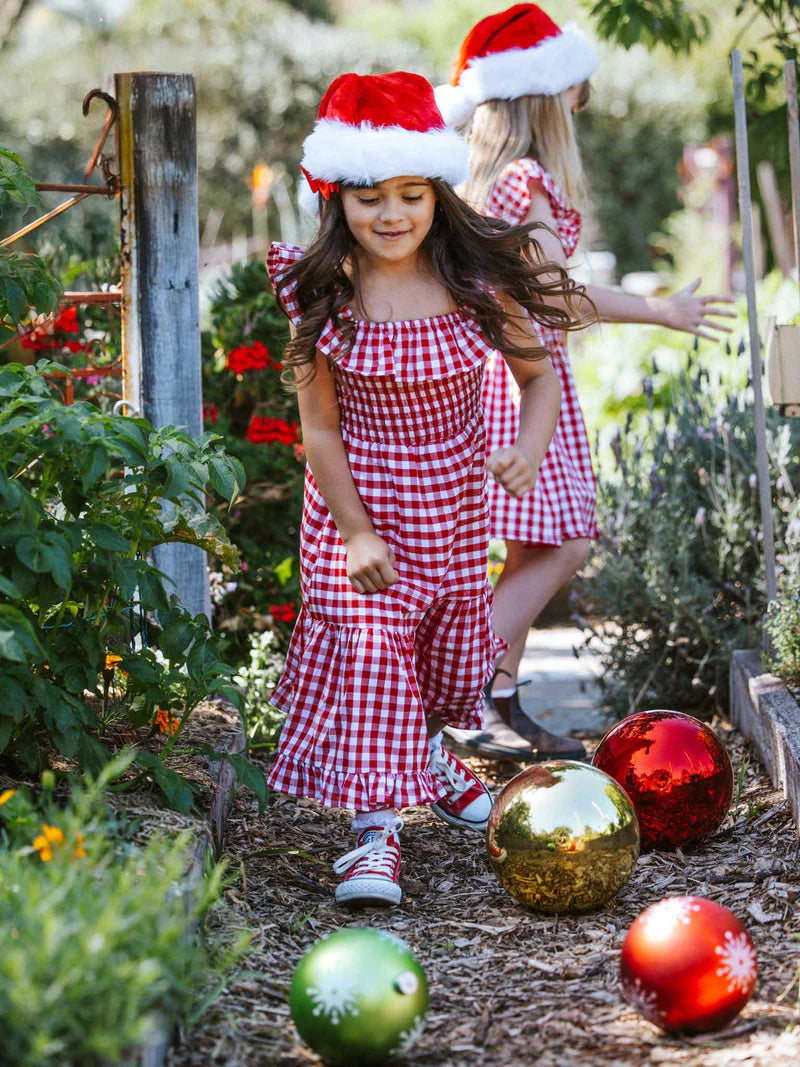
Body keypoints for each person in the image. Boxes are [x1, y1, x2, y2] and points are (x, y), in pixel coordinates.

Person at [266, 70, 586, 907]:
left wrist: (525, 446)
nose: (391, 214)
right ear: (338, 200)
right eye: (369, 197)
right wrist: (358, 533)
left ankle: (432, 758)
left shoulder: (473, 285)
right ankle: (375, 839)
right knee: (375, 660)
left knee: (446, 672)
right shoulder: (323, 298)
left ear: (440, 194)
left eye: (411, 193)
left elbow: (539, 377)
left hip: (449, 515)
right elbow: (321, 432)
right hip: (357, 519)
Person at [435, 4, 735, 761]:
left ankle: (499, 698)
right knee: (566, 541)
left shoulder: (496, 178)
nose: (583, 104)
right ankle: (468, 692)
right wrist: (661, 309)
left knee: (537, 548)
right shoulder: (524, 179)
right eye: (577, 89)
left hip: (512, 372)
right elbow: (553, 296)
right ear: (546, 96)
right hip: (523, 379)